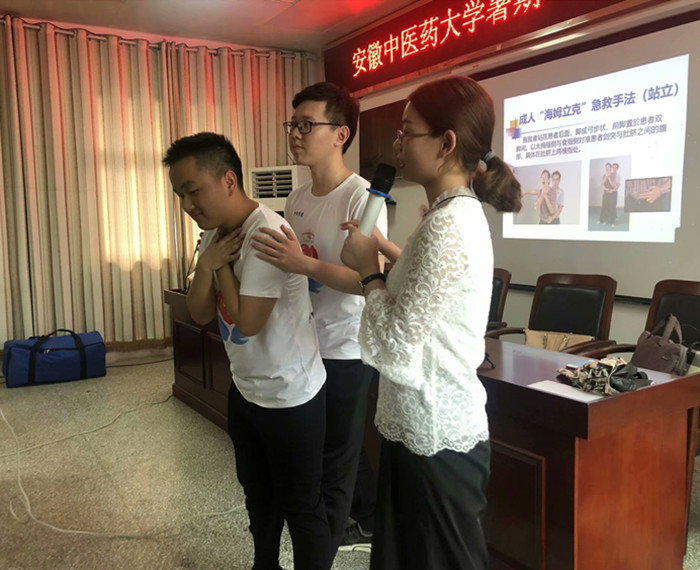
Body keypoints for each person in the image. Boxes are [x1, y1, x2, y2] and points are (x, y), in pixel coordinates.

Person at [340, 75, 522, 570]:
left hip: (438, 436)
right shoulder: (448, 215)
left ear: (446, 144)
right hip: (418, 425)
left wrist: (367, 272)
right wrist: (382, 249)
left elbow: (398, 342)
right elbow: (428, 289)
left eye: (407, 131)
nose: (397, 143)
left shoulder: (449, 224)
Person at [163, 132, 330, 570]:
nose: (188, 205)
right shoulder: (213, 236)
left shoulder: (266, 233)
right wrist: (207, 262)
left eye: (193, 191)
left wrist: (218, 267)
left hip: (291, 396)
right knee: (258, 496)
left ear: (229, 180)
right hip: (247, 389)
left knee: (301, 507)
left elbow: (248, 323)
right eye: (180, 196)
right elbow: (200, 312)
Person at [250, 82, 387, 558]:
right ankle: (366, 517)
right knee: (325, 455)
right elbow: (293, 272)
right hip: (306, 348)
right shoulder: (298, 197)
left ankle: (326, 547)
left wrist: (302, 264)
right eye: (293, 124)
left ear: (340, 134)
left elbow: (367, 281)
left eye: (307, 125)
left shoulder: (362, 197)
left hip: (346, 348)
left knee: (333, 468)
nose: (295, 134)